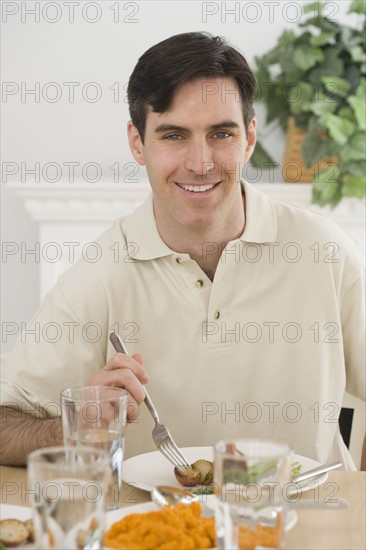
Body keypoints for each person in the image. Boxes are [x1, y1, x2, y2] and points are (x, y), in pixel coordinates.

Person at [1, 32, 365, 470]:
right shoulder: (98, 275)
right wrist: (80, 426)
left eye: (221, 134)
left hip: (306, 530)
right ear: (137, 143)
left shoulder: (323, 252)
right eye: (174, 135)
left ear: (248, 138)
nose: (200, 162)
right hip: (155, 534)